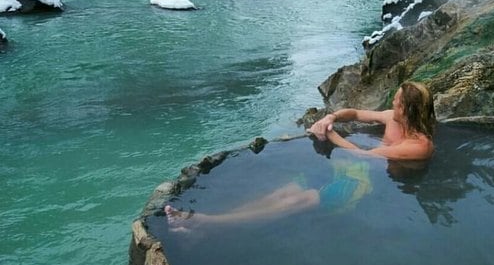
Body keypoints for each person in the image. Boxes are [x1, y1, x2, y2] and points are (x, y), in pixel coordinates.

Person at [164, 81, 435, 226]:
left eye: (397, 102)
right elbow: (355, 113)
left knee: (300, 199)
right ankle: (208, 226)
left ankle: (207, 223)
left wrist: (328, 133)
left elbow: (366, 155)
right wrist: (332, 116)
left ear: (409, 110)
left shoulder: (419, 144)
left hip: (366, 183)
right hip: (346, 167)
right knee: (283, 193)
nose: (392, 103)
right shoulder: (392, 118)